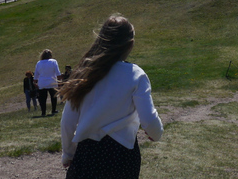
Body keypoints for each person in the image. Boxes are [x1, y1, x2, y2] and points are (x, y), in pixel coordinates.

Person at [59, 15, 163, 178]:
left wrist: (68, 153)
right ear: (130, 44)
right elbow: (149, 120)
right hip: (122, 156)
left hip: (87, 154)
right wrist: (156, 133)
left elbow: (68, 122)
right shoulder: (136, 75)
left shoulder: (84, 73)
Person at [34, 49, 62, 116]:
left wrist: (35, 81)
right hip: (52, 81)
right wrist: (59, 80)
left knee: (42, 98)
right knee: (53, 97)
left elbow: (36, 74)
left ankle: (43, 112)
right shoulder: (53, 61)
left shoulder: (39, 63)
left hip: (42, 82)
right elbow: (57, 72)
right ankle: (53, 110)